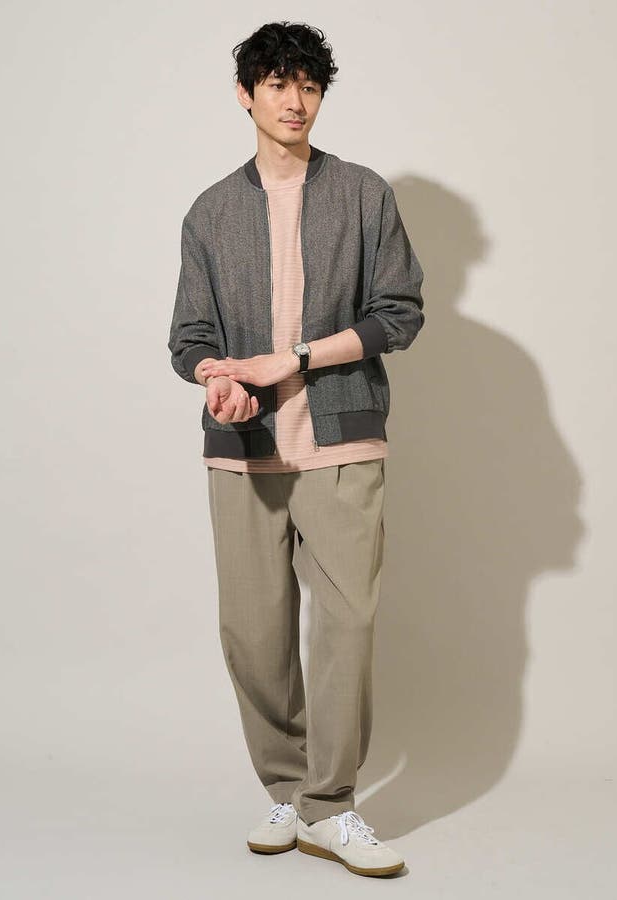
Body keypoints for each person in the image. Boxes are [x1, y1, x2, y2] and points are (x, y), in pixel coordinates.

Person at [167, 21, 425, 878]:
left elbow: (399, 313)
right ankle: (287, 789)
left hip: (342, 439)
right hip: (242, 450)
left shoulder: (363, 194)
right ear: (246, 95)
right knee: (254, 633)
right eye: (278, 84)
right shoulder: (210, 212)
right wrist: (218, 378)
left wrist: (299, 359)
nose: (296, 100)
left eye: (309, 85)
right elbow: (190, 338)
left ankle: (332, 805)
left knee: (346, 625)